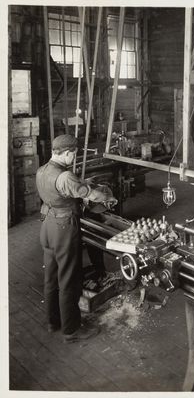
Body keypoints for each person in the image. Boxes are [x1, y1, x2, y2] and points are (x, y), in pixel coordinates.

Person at [36, 134, 117, 344]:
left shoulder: (42, 170)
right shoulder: (66, 177)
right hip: (64, 228)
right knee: (69, 279)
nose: (75, 157)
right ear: (67, 152)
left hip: (47, 226)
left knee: (51, 277)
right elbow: (89, 194)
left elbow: (63, 190)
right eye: (74, 154)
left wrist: (83, 183)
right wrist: (109, 197)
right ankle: (71, 330)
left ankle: (53, 321)